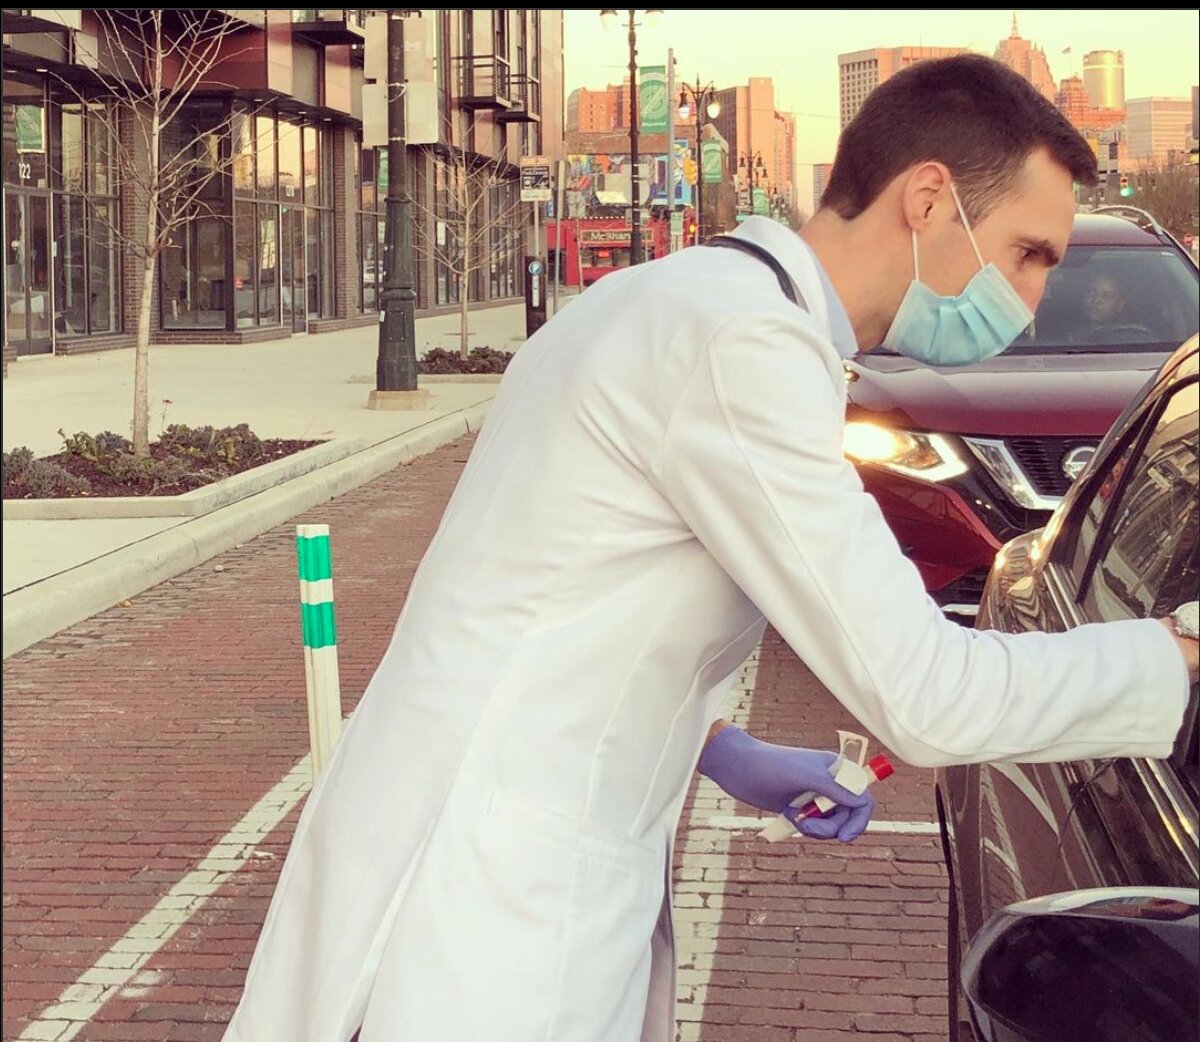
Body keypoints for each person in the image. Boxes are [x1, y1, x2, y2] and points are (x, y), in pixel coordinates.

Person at [222, 55, 1198, 1042]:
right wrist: (1179, 653)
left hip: (482, 852)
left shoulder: (674, 301)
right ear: (929, 199)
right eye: (1029, 254)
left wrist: (724, 749)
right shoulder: (742, 348)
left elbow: (566, 599)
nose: (1032, 300)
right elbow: (927, 695)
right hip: (482, 899)